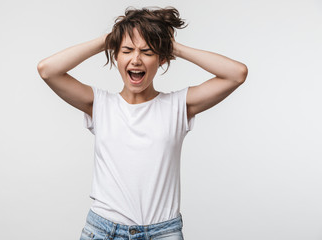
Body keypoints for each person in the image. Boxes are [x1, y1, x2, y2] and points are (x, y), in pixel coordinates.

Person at [37, 6, 248, 240]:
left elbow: (236, 73)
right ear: (116, 55)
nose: (136, 60)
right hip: (103, 231)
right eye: (127, 50)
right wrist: (109, 39)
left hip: (163, 233)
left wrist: (170, 45)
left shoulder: (178, 106)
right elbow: (48, 70)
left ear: (161, 60)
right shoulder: (100, 105)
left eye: (147, 52)